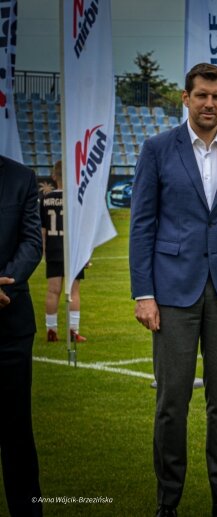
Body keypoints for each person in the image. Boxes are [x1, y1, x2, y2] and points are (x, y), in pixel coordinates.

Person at [129, 63, 217, 517]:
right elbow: (142, 225)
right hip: (172, 292)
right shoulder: (157, 149)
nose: (209, 103)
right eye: (201, 96)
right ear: (185, 99)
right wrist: (143, 293)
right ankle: (167, 500)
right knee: (172, 400)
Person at [0, 154, 43, 516]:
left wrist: (5, 285)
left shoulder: (21, 177)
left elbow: (32, 243)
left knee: (16, 433)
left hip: (10, 323)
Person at [40, 160, 87, 343]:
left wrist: (44, 250)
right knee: (73, 291)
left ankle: (51, 330)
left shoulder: (45, 199)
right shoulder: (77, 198)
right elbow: (82, 229)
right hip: (73, 250)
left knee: (53, 291)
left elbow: (42, 230)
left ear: (53, 177)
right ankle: (73, 331)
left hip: (53, 249)